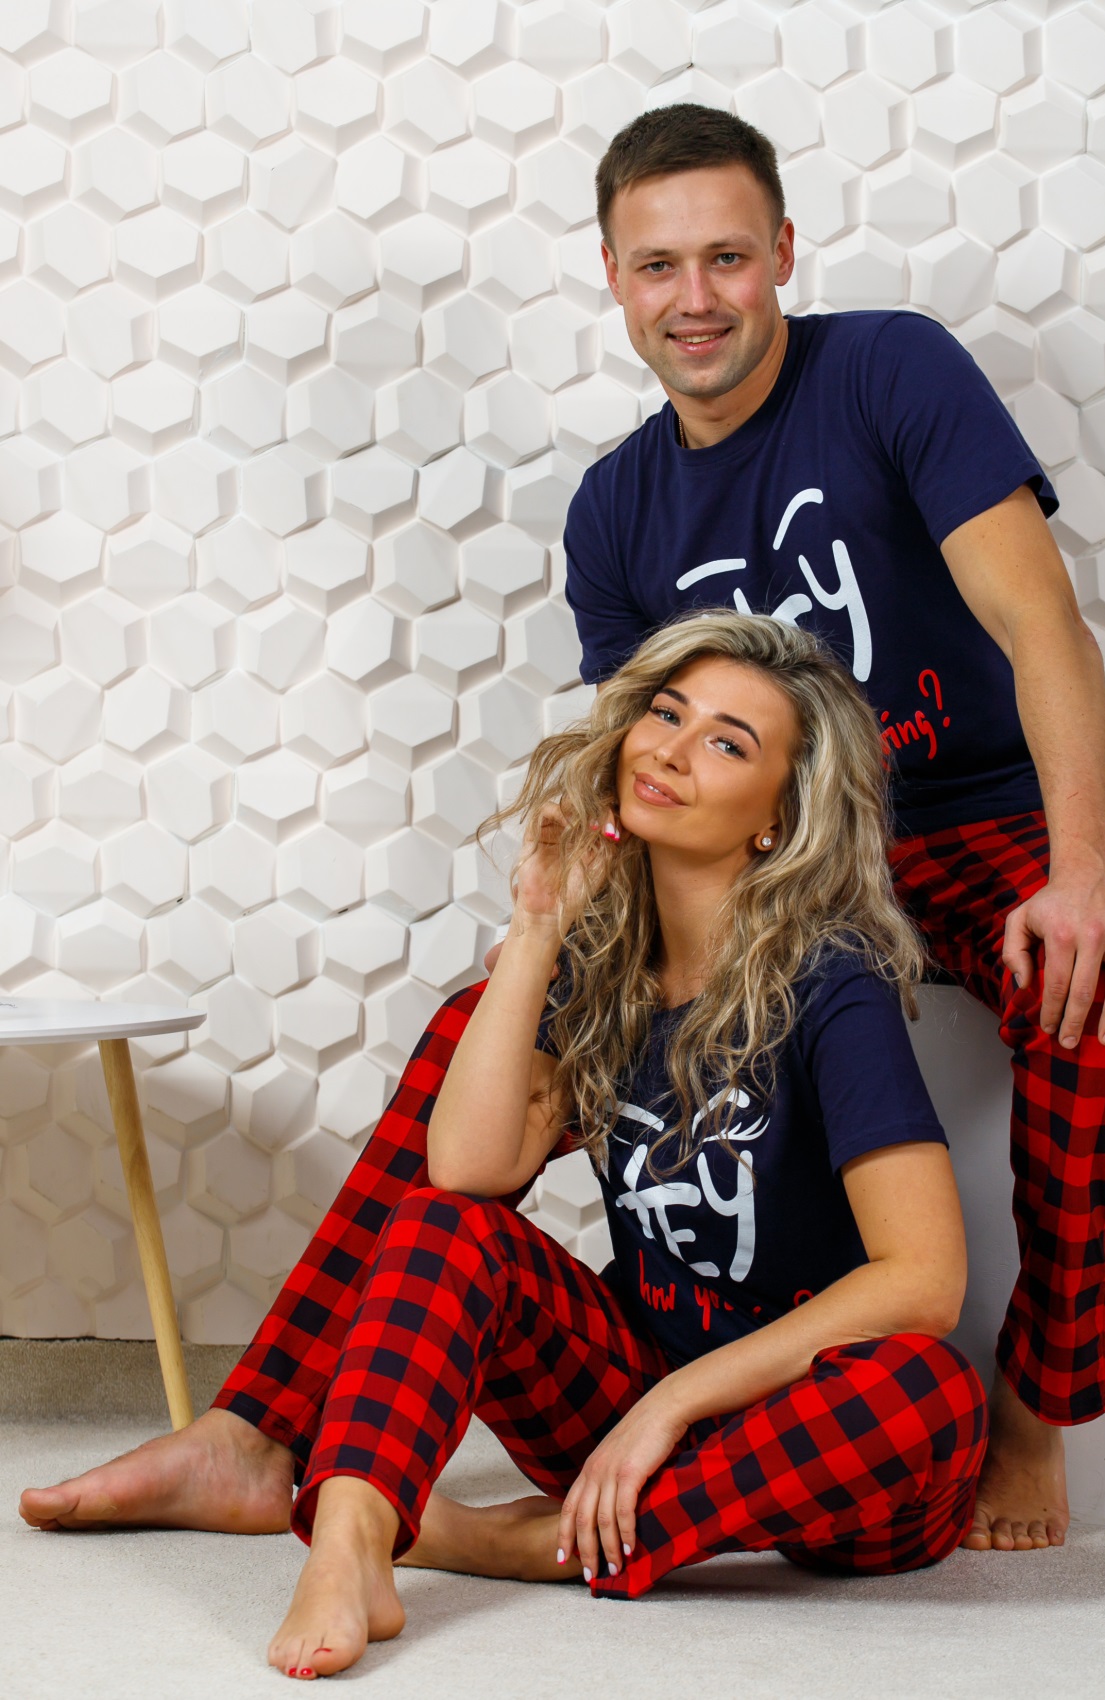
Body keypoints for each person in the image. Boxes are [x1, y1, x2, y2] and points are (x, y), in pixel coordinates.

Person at [22, 613, 987, 1679]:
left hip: (812, 1442)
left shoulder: (832, 984)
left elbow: (923, 1278)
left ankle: (520, 1544)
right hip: (624, 1405)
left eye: (726, 741)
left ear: (779, 817)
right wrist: (536, 922)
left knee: (930, 1393)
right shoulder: (602, 969)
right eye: (666, 713)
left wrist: (674, 1404)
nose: (670, 748)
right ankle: (350, 1543)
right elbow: (467, 1174)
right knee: (441, 1223)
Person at [561, 104, 1105, 1555]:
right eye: (658, 265)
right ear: (613, 278)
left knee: (1102, 989)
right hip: (784, 858)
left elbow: (1041, 621)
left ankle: (1034, 1398)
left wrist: (1087, 869)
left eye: (726, 255)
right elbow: (655, 774)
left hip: (980, 809)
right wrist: (565, 943)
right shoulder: (611, 510)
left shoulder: (890, 368)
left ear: (783, 250)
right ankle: (278, 1415)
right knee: (504, 1011)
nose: (695, 297)